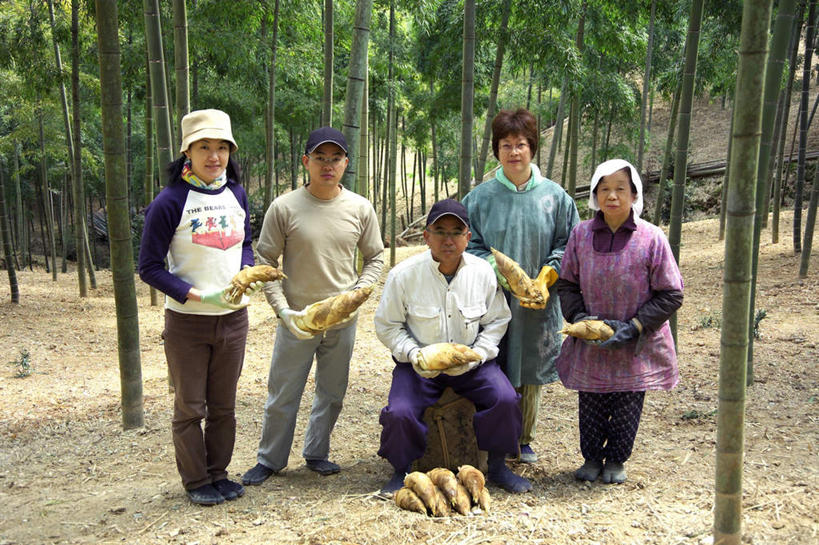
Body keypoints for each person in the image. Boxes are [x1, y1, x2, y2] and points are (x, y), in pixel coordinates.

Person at [242, 127, 384, 486]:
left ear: (346, 164)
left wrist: (361, 290)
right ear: (306, 161)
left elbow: (375, 257)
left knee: (332, 392)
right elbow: (266, 260)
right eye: (320, 158)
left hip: (342, 318)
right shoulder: (284, 207)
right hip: (298, 319)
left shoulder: (360, 208)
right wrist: (283, 311)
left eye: (335, 158)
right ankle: (270, 460)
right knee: (283, 393)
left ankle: (316, 452)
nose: (328, 165)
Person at [139, 109, 261, 505]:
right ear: (186, 152)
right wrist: (194, 294)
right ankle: (195, 481)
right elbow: (150, 268)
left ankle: (218, 474)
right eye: (204, 147)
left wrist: (246, 269)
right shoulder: (170, 201)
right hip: (188, 324)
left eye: (222, 147)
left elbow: (243, 241)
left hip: (233, 320)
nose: (214, 156)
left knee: (224, 406)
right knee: (191, 406)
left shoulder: (236, 193)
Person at [375, 199, 531, 495]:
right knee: (400, 412)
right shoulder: (404, 274)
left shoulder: (482, 272)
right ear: (426, 236)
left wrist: (479, 355)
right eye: (440, 231)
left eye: (456, 232)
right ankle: (401, 469)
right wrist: (413, 354)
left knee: (506, 399)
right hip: (419, 366)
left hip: (471, 363)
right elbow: (387, 324)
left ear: (467, 238)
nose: (448, 240)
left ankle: (498, 466)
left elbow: (497, 320)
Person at [555, 158, 684, 484]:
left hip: (635, 342)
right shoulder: (580, 235)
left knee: (627, 401)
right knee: (592, 401)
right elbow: (567, 283)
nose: (612, 196)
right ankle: (591, 458)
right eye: (604, 189)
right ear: (595, 194)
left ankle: (616, 460)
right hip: (593, 341)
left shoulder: (652, 238)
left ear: (635, 195)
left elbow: (671, 293)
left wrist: (635, 326)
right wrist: (581, 319)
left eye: (620, 189)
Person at [462, 108, 580, 463]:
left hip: (539, 301)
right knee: (492, 363)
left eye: (522, 144)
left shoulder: (556, 197)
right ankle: (493, 435)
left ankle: (523, 437)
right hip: (491, 298)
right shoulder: (479, 199)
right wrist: (503, 277)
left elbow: (568, 244)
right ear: (496, 150)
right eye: (506, 145)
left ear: (533, 149)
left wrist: (545, 277)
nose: (515, 152)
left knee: (529, 368)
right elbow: (470, 244)